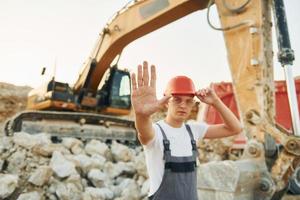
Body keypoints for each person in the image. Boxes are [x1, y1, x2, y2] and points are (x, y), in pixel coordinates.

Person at [131, 61, 242, 200]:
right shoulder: (156, 133)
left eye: (188, 101)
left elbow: (235, 128)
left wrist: (216, 101)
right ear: (166, 102)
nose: (183, 105)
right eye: (177, 100)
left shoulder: (193, 130)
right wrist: (141, 114)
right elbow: (143, 131)